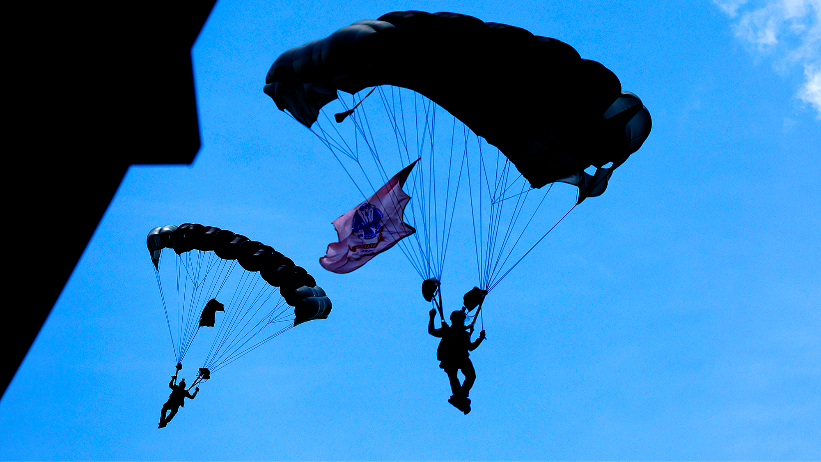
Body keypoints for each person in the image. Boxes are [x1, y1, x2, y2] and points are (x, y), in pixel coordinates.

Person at [428, 308, 485, 414]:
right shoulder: (448, 331)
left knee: (469, 376)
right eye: (462, 320)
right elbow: (432, 331)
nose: (463, 322)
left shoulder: (463, 333)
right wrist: (432, 317)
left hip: (461, 357)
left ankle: (460, 397)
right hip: (450, 358)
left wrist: (480, 339)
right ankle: (460, 397)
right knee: (454, 377)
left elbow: (470, 347)